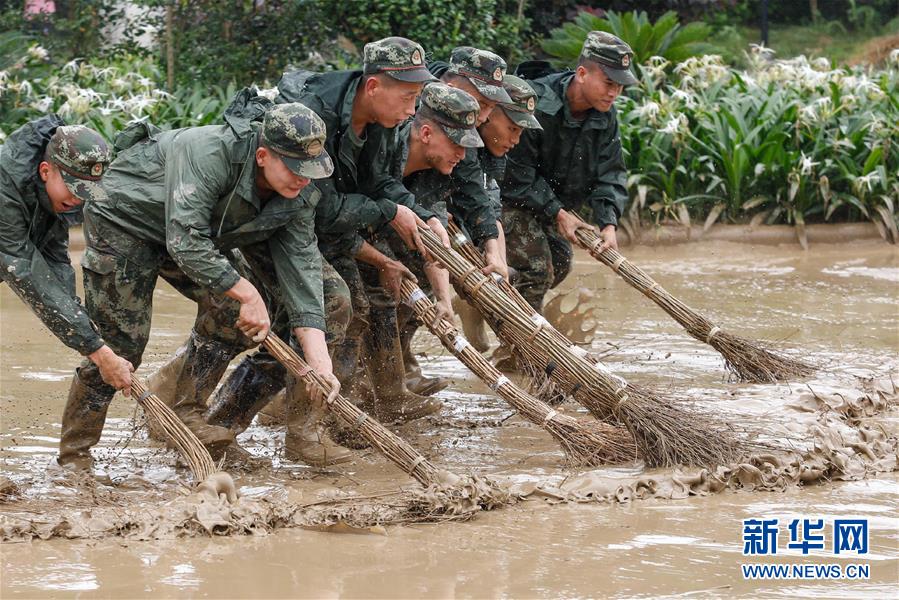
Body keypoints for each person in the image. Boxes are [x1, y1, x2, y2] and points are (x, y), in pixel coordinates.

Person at [58, 102, 344, 471]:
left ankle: (186, 413)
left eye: (310, 170)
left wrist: (320, 364)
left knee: (232, 312)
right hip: (125, 222)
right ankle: (74, 459)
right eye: (294, 168)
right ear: (262, 155)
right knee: (121, 345)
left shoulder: (299, 192)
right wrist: (248, 291)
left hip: (191, 235)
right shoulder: (210, 153)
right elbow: (185, 241)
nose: (303, 178)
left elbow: (303, 275)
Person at [201, 36, 451, 435]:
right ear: (373, 87)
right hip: (271, 217)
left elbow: (381, 182)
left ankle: (314, 421)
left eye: (418, 96)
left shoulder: (384, 121)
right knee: (315, 310)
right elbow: (322, 206)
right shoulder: (314, 113)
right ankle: (232, 423)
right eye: (408, 96)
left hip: (313, 224)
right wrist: (391, 212)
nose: (413, 108)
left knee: (344, 311)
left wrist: (421, 215)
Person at [0, 117, 135, 444]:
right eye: (74, 188)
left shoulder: (46, 197)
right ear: (46, 171)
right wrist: (100, 353)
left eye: (86, 191)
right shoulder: (5, 188)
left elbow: (57, 265)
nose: (79, 199)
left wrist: (86, 329)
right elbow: (27, 274)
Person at [501, 31, 637, 312]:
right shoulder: (536, 103)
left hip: (547, 206)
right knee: (538, 271)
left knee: (561, 262)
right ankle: (525, 349)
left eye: (620, 86)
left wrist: (608, 224)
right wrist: (559, 213)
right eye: (609, 83)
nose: (614, 93)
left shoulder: (605, 115)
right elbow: (516, 173)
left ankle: (492, 301)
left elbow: (610, 172)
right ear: (582, 73)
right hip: (507, 200)